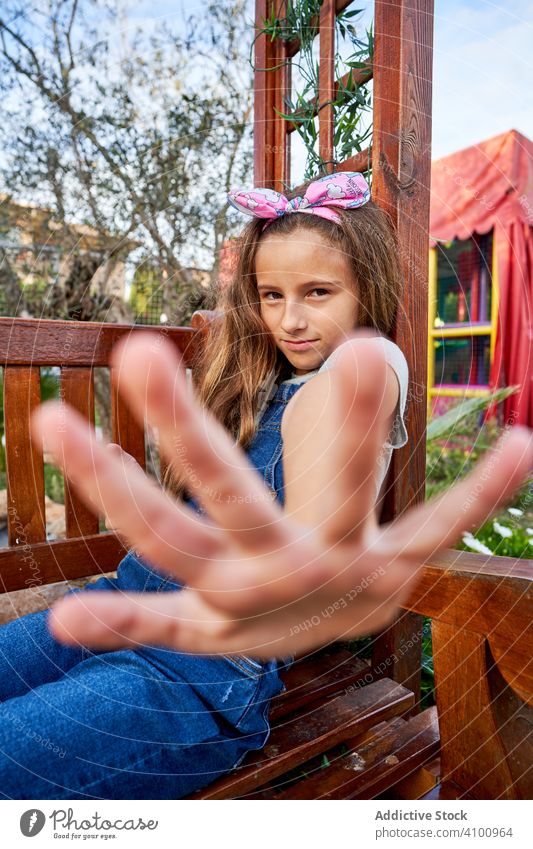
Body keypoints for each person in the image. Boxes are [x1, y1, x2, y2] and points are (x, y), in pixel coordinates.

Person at [1, 173, 530, 801]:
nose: (291, 319)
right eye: (271, 295)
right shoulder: (263, 383)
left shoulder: (360, 373)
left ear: (369, 292)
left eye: (319, 292)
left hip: (193, 676)